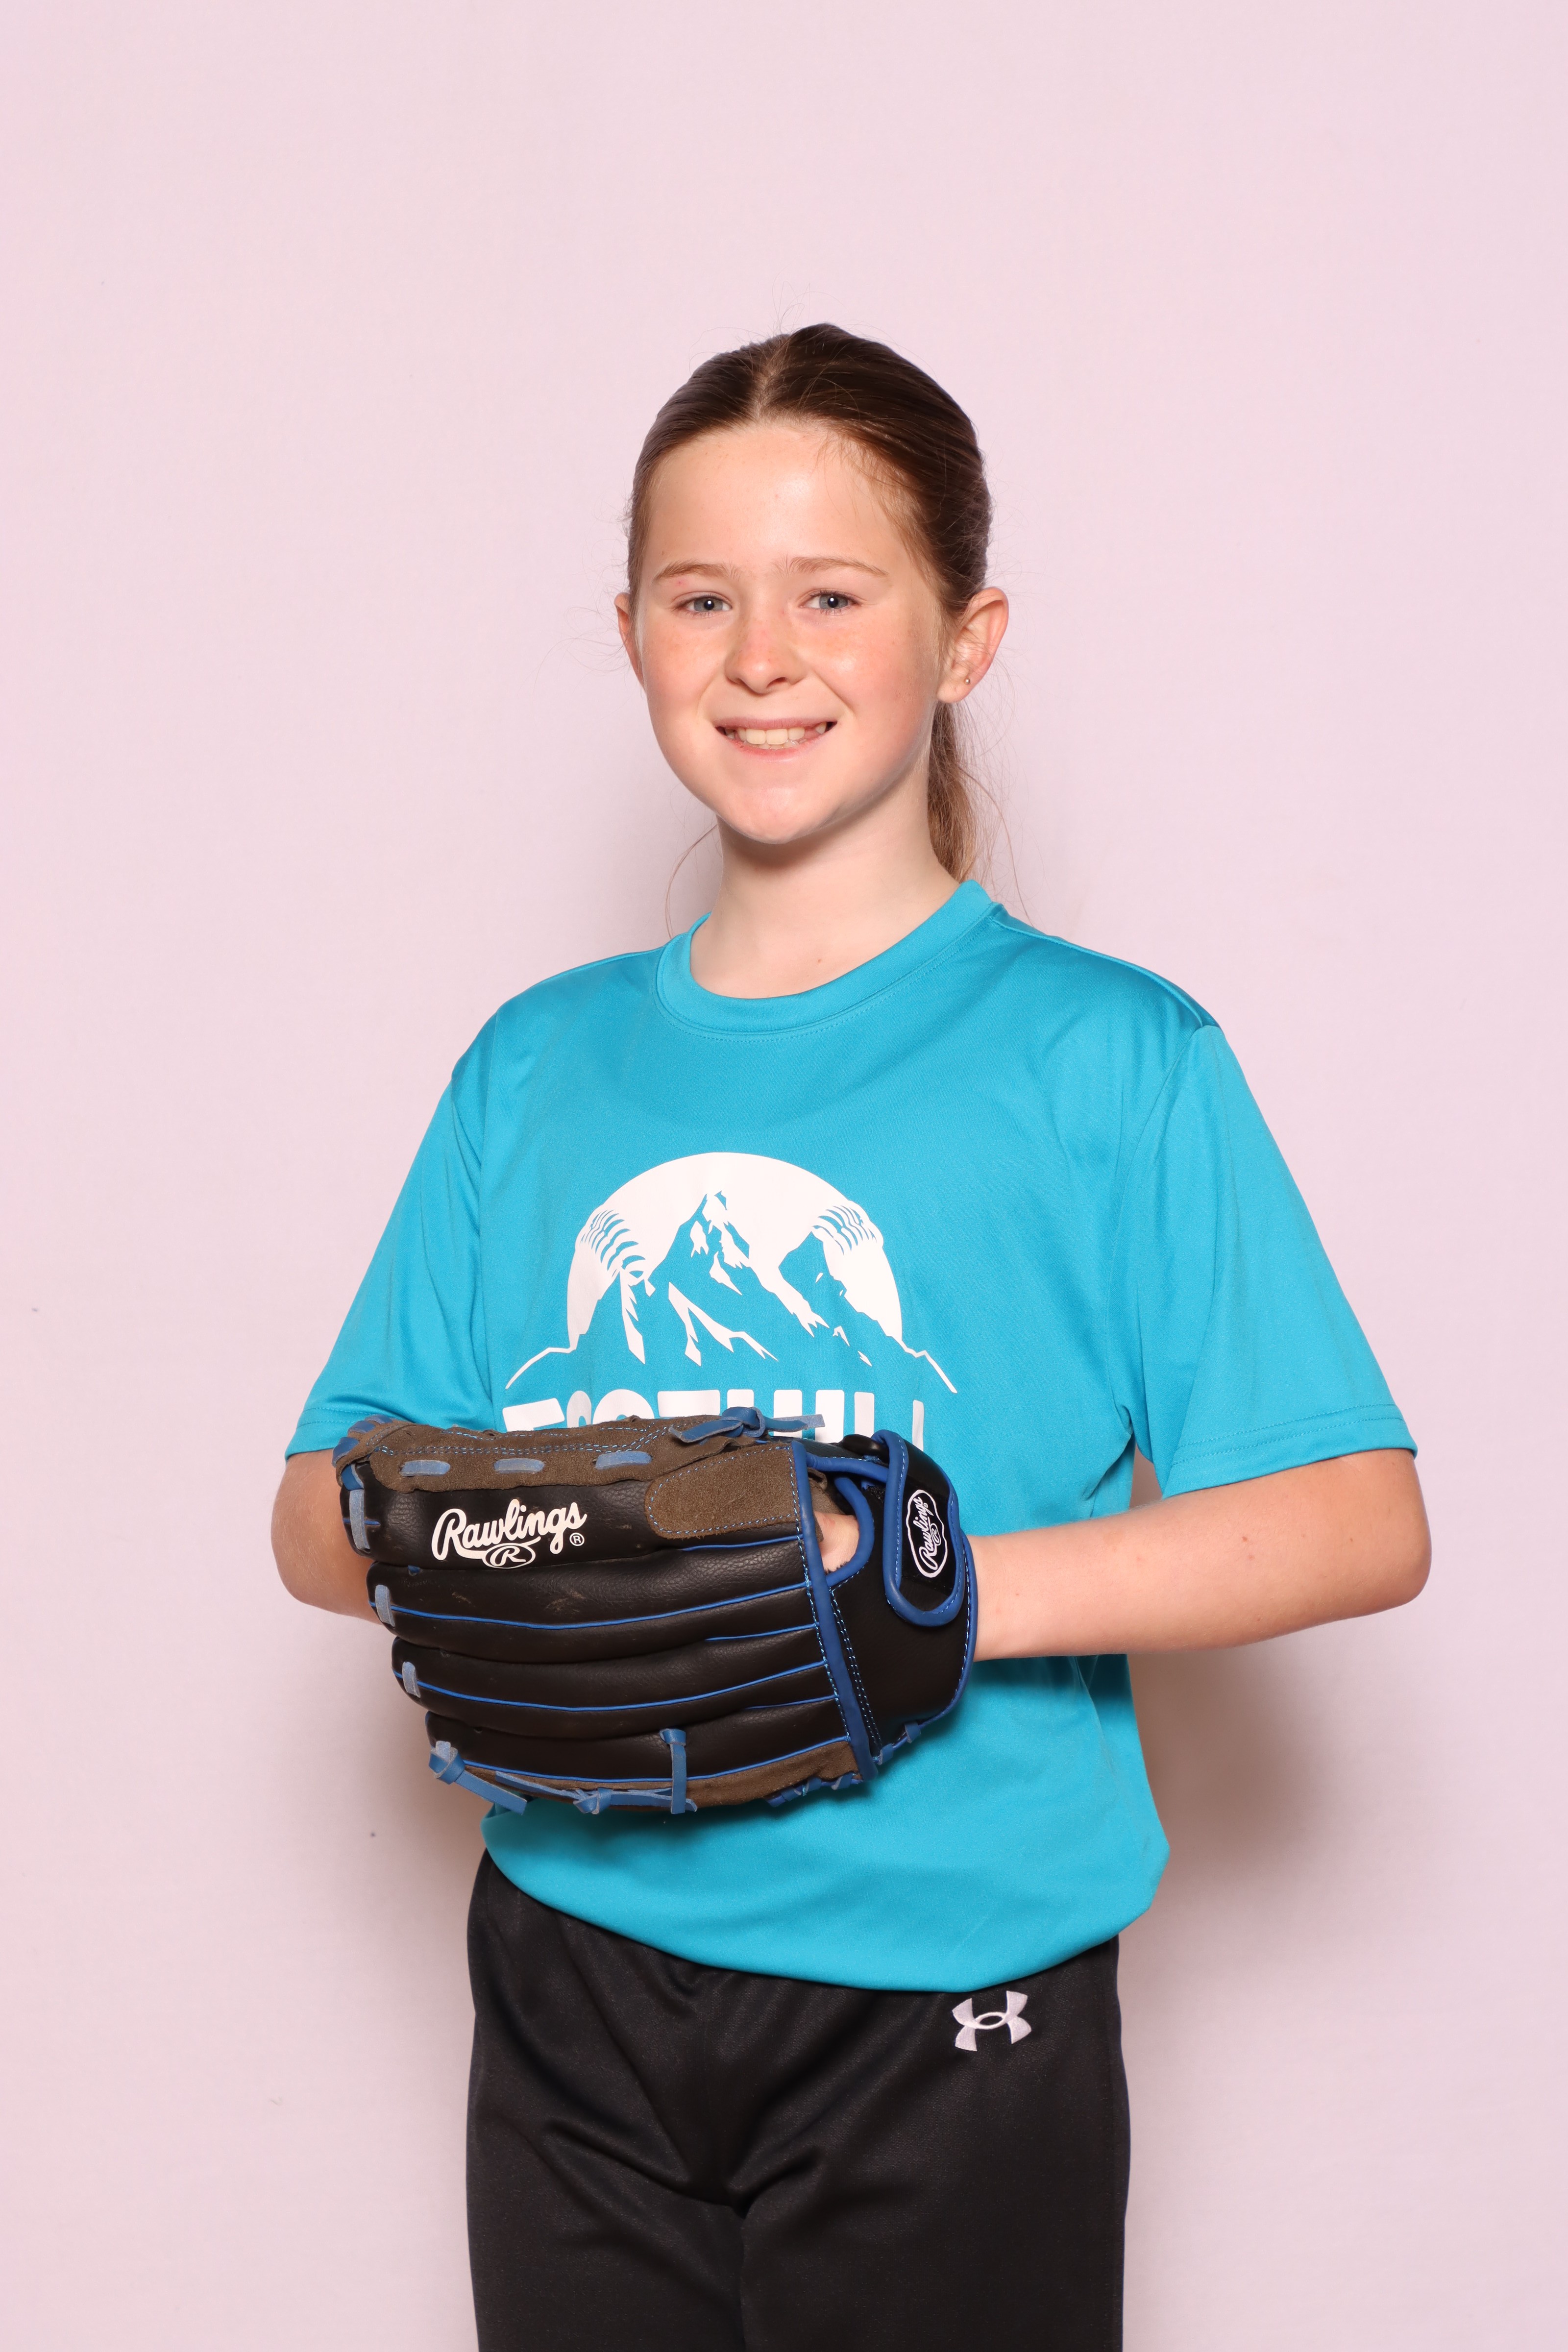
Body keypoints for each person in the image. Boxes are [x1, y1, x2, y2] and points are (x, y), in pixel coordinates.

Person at [271, 325, 1429, 2352]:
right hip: (570, 1955)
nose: (758, 659)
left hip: (949, 1978)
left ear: (966, 639)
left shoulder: (1110, 1057)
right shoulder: (533, 1069)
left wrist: (911, 1583)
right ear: (627, 633)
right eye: (698, 598)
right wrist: (573, 1545)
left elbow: (1355, 1519)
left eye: (831, 597)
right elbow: (315, 1515)